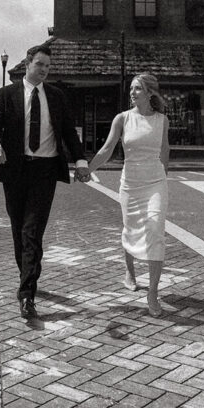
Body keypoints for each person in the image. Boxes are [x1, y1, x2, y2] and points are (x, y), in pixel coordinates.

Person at [0, 43, 90, 320]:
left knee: (32, 231)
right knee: (19, 229)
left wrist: (80, 161)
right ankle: (26, 274)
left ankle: (26, 294)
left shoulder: (56, 96)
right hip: (15, 170)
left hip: (45, 171)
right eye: (40, 64)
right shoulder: (7, 95)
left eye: (48, 66)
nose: (44, 70)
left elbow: (68, 132)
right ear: (28, 63)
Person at [87, 72, 170, 317]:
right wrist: (87, 169)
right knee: (130, 228)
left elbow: (165, 151)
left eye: (137, 89)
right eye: (131, 89)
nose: (132, 93)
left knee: (155, 229)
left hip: (155, 182)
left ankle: (153, 292)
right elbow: (107, 149)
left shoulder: (162, 120)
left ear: (149, 93)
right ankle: (130, 271)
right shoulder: (122, 119)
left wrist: (163, 177)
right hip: (130, 184)